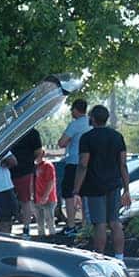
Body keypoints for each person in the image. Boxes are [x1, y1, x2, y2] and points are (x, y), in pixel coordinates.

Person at [73, 104, 131, 259]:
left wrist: (76, 190)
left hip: (94, 186)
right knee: (115, 222)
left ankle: (100, 257)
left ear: (92, 118)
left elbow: (83, 164)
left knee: (100, 223)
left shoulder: (87, 138)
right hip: (114, 185)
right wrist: (126, 189)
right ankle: (120, 257)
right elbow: (123, 164)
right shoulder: (117, 136)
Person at [58, 98, 91, 229]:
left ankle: (71, 224)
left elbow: (61, 142)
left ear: (76, 110)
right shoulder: (91, 123)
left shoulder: (75, 124)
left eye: (72, 109)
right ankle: (85, 225)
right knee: (85, 193)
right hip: (89, 163)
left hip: (74, 162)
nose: (71, 112)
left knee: (69, 193)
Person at [8, 125, 44, 238]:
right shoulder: (11, 130)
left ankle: (26, 228)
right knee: (15, 201)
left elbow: (38, 151)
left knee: (25, 200)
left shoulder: (32, 132)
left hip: (25, 171)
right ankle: (13, 226)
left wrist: (29, 160)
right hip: (9, 171)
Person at [34, 152, 58, 237]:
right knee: (39, 221)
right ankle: (41, 237)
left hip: (49, 198)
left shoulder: (48, 165)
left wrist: (45, 196)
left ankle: (52, 236)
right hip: (37, 198)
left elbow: (51, 181)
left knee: (49, 220)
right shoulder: (34, 167)